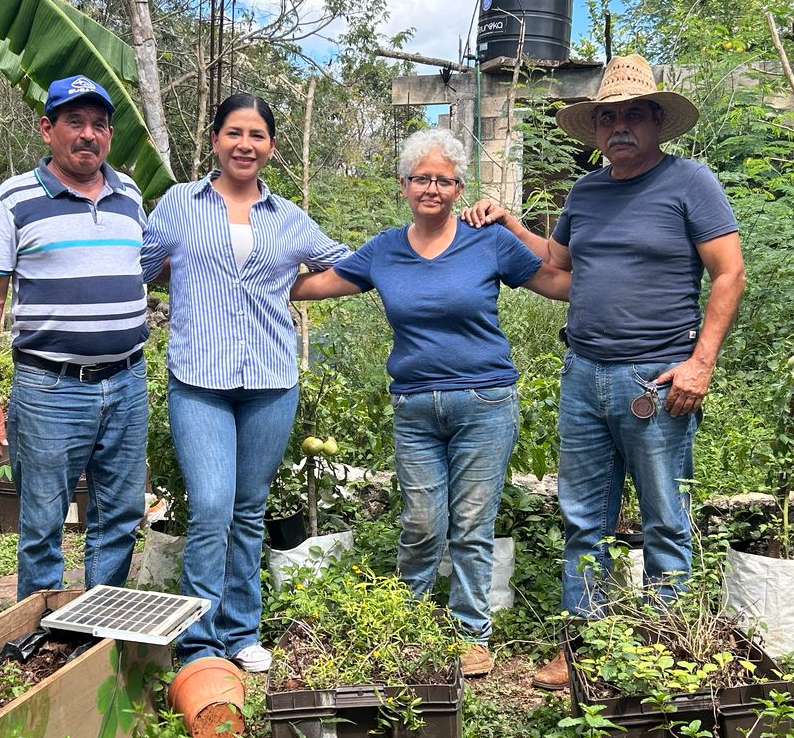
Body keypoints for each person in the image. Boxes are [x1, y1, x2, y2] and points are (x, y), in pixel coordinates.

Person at [463, 54, 746, 690]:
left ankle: (665, 650)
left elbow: (729, 271)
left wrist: (701, 363)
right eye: (607, 118)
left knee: (664, 518)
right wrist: (509, 223)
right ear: (595, 130)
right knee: (582, 518)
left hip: (657, 378)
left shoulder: (689, 182)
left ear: (655, 121)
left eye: (631, 116)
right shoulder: (586, 193)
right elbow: (561, 268)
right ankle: (582, 645)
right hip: (583, 373)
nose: (619, 127)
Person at [290, 128, 568, 678]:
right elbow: (317, 284)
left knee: (471, 523)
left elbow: (558, 283)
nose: (432, 189)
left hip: (485, 401)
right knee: (420, 522)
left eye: (443, 180)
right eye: (422, 179)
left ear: (459, 188)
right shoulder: (385, 250)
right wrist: (242, 275)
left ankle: (471, 634)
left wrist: (618, 277)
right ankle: (408, 623)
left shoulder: (487, 242)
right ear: (404, 185)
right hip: (415, 407)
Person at [141, 93, 350, 672]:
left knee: (250, 508)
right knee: (210, 506)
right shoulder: (180, 203)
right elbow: (139, 264)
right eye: (234, 132)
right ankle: (199, 641)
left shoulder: (287, 217)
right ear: (215, 140)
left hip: (270, 380)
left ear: (271, 147)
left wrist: (293, 288)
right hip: (199, 380)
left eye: (257, 135)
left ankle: (241, 630)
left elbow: (348, 264)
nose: (245, 145)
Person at [0, 75, 150, 601]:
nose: (88, 134)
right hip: (50, 389)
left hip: (127, 382)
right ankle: (42, 640)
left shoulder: (130, 194)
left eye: (99, 124)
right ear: (48, 129)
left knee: (119, 516)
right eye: (75, 122)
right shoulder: (15, 198)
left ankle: (100, 637)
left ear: (110, 136)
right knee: (43, 525)